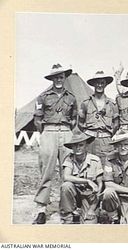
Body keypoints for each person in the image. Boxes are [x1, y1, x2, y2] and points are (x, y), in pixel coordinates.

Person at [33, 63, 77, 224]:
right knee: (46, 171)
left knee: (68, 170)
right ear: (51, 79)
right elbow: (37, 119)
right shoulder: (43, 97)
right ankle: (41, 209)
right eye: (56, 77)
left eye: (61, 77)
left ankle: (67, 209)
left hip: (66, 132)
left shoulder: (71, 97)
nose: (59, 80)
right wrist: (46, 133)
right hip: (49, 132)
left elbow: (74, 118)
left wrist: (66, 129)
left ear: (65, 78)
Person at [59, 129, 103, 224]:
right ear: (71, 147)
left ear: (86, 146)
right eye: (75, 145)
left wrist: (92, 208)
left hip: (89, 198)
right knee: (66, 186)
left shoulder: (95, 160)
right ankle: (68, 215)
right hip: (75, 195)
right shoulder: (69, 159)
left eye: (81, 145)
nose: (78, 148)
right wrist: (86, 181)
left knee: (89, 224)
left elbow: (100, 186)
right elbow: (66, 177)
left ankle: (87, 212)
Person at [78, 71, 119, 166]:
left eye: (102, 83)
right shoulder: (86, 103)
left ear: (105, 84)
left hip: (106, 140)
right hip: (89, 140)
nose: (99, 85)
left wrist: (108, 134)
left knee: (106, 167)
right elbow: (80, 122)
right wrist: (87, 133)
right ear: (93, 84)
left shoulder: (112, 104)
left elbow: (116, 123)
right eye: (97, 83)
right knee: (89, 167)